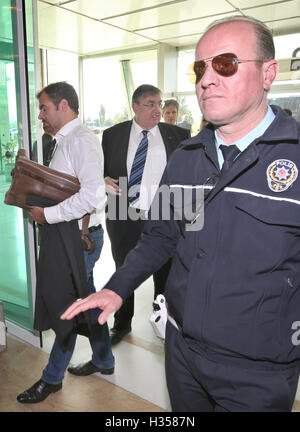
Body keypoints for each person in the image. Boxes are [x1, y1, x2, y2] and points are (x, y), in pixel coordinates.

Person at [61, 16, 300, 412]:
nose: (207, 78)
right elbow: (161, 237)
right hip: (183, 355)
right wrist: (117, 286)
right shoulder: (188, 159)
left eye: (225, 63)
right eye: (200, 67)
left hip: (258, 370)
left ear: (267, 73)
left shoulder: (292, 157)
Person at [17, 82, 114, 404]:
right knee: (84, 300)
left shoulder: (81, 140)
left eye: (44, 107)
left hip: (79, 240)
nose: (41, 115)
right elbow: (80, 184)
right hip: (69, 238)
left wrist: (49, 215)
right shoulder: (62, 141)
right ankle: (104, 359)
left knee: (65, 308)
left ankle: (52, 379)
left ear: (63, 106)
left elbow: (92, 195)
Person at [103, 84, 189, 345]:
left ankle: (163, 321)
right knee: (124, 268)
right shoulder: (112, 135)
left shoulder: (178, 135)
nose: (158, 110)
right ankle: (121, 324)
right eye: (151, 104)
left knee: (165, 274)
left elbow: (188, 178)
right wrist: (101, 179)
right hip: (123, 213)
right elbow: (101, 170)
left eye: (160, 104)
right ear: (135, 107)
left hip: (163, 213)